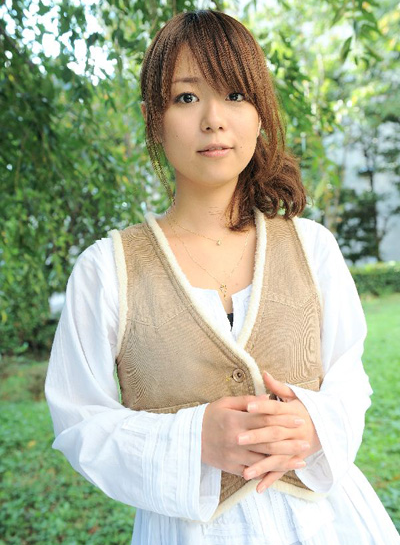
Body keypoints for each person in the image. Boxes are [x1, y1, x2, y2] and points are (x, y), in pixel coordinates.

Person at [45, 9, 400, 545]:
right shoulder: (106, 270)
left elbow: (349, 379)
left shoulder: (313, 248)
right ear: (153, 118)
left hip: (330, 524)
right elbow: (78, 420)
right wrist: (194, 440)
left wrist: (316, 426)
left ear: (259, 114)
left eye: (235, 94)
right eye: (186, 97)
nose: (214, 119)